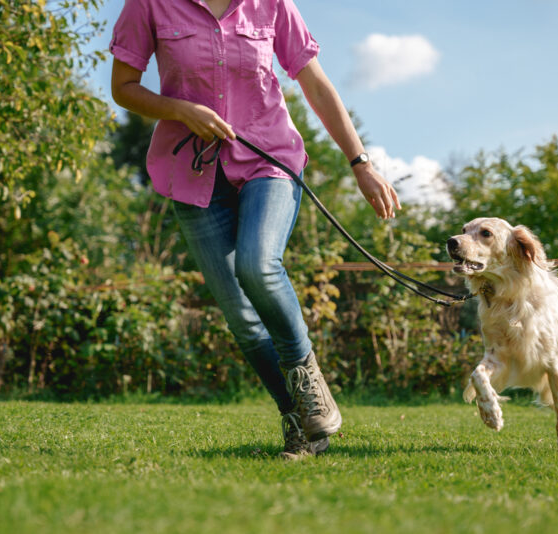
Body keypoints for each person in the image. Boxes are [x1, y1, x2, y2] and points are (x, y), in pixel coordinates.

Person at [109, 0, 400, 459]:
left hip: (270, 160)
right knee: (242, 319)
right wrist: (181, 109)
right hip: (192, 168)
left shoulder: (272, 4)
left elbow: (315, 84)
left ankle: (308, 380)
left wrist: (360, 162)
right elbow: (123, 88)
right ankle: (301, 425)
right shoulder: (149, 4)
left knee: (258, 265)